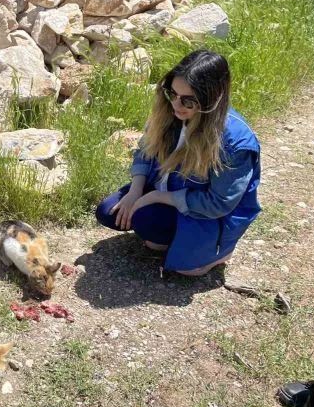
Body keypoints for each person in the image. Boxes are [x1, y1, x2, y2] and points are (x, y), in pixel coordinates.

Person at [95, 49, 261, 276]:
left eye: (188, 100)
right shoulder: (169, 112)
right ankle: (167, 236)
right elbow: (145, 151)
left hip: (204, 213)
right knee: (108, 212)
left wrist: (155, 197)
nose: (176, 104)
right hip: (167, 189)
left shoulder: (235, 142)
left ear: (213, 97)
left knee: (146, 221)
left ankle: (218, 252)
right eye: (172, 93)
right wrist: (135, 191)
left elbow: (219, 204)